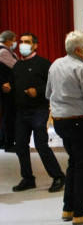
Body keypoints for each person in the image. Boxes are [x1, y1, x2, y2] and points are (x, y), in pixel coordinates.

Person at [46, 30, 83, 225]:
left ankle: (68, 207)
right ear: (79, 50)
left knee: (74, 163)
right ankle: (81, 212)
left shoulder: (56, 64)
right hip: (79, 121)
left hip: (60, 120)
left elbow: (48, 93)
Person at [7, 32, 65, 192]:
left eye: (26, 42)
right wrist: (8, 87)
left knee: (41, 145)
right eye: (21, 41)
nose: (22, 44)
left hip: (38, 110)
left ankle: (58, 176)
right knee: (20, 146)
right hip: (21, 112)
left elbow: (52, 85)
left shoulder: (44, 64)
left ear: (35, 45)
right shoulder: (17, 65)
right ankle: (28, 178)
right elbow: (12, 84)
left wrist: (38, 91)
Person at [0, 30, 18, 152]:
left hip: (6, 88)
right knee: (10, 115)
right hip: (6, 89)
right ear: (8, 40)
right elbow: (16, 66)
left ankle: (3, 141)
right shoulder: (3, 52)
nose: (14, 42)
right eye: (13, 40)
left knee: (7, 115)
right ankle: (9, 143)